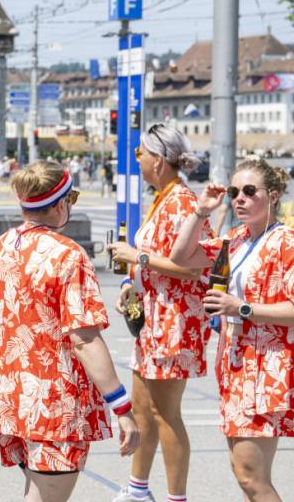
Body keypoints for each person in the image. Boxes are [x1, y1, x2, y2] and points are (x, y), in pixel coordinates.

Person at [0, 161, 139, 502]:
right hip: (51, 402)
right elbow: (84, 338)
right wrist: (121, 406)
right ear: (60, 204)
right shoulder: (67, 256)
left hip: (4, 397)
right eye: (71, 197)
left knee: (37, 489)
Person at [170, 157, 294, 502]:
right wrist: (201, 211)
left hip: (266, 368)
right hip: (236, 365)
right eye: (234, 191)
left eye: (249, 191)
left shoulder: (286, 242)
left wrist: (241, 308)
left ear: (274, 195)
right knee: (248, 477)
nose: (239, 198)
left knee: (250, 477)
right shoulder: (236, 238)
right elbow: (182, 257)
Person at [107, 125, 211, 502]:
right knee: (142, 408)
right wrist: (130, 284)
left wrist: (140, 258)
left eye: (141, 154)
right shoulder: (164, 198)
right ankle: (138, 488)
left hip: (176, 320)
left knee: (166, 412)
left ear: (160, 160)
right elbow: (158, 263)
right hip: (153, 317)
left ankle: (175, 496)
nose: (138, 161)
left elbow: (197, 268)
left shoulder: (184, 202)